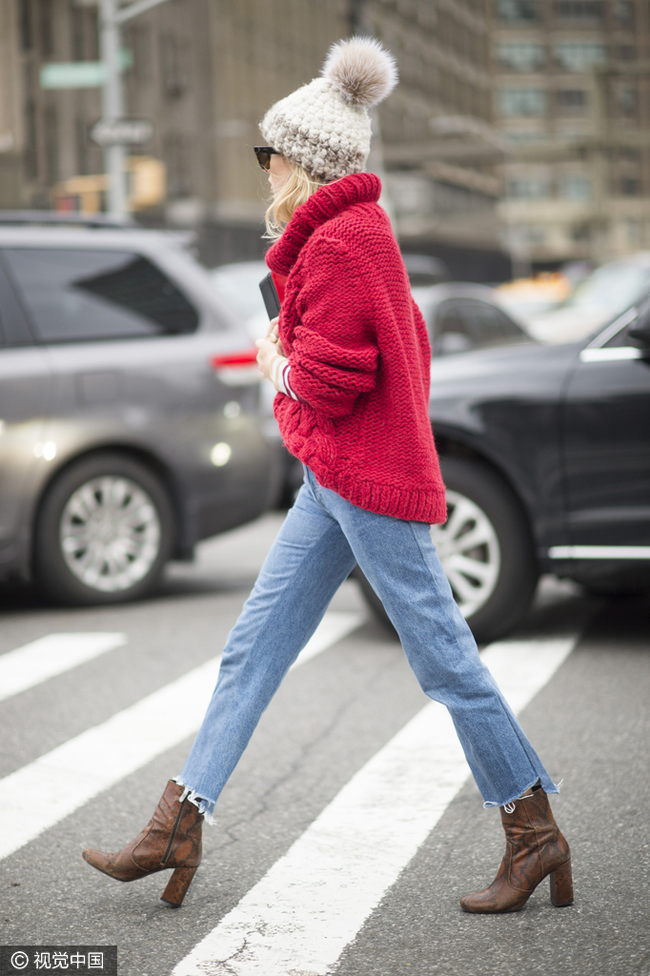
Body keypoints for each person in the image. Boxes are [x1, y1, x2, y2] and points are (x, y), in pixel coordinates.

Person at [82, 37, 573, 915]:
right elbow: (397, 355)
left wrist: (276, 360)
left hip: (367, 482)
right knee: (254, 651)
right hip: (332, 480)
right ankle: (177, 826)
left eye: (271, 154)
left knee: (447, 663)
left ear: (305, 162)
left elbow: (332, 384)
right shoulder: (352, 235)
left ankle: (534, 835)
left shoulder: (344, 242)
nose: (263, 168)